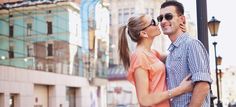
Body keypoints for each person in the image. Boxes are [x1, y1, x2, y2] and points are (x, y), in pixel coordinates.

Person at [118, 14, 193, 107]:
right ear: (144, 33)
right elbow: (144, 100)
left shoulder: (152, 52)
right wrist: (181, 89)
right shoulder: (139, 56)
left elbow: (176, 57)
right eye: (153, 22)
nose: (158, 23)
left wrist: (182, 35)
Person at [157, 1, 213, 107]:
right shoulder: (172, 52)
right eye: (160, 18)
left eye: (168, 16)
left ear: (182, 19)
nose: (163, 21)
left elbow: (203, 85)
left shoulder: (191, 44)